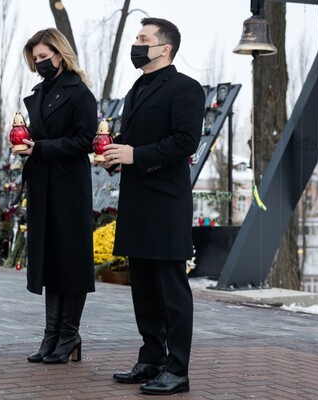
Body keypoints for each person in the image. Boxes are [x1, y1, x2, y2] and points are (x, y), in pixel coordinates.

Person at [100, 18, 205, 395]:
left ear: (165, 48)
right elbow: (134, 140)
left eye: (143, 38)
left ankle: (177, 370)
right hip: (137, 200)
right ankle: (151, 359)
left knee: (171, 290)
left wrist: (135, 154)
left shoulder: (186, 88)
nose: (137, 44)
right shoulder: (136, 89)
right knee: (142, 286)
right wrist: (113, 154)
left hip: (166, 203)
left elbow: (185, 141)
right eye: (136, 38)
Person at [14, 28, 96, 364]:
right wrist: (25, 142)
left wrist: (40, 147)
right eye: (36, 59)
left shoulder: (80, 93)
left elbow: (86, 140)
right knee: (50, 260)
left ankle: (69, 334)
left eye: (44, 57)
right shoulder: (40, 93)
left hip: (70, 187)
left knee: (70, 261)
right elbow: (41, 137)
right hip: (44, 184)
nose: (40, 63)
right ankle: (51, 335)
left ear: (60, 55)